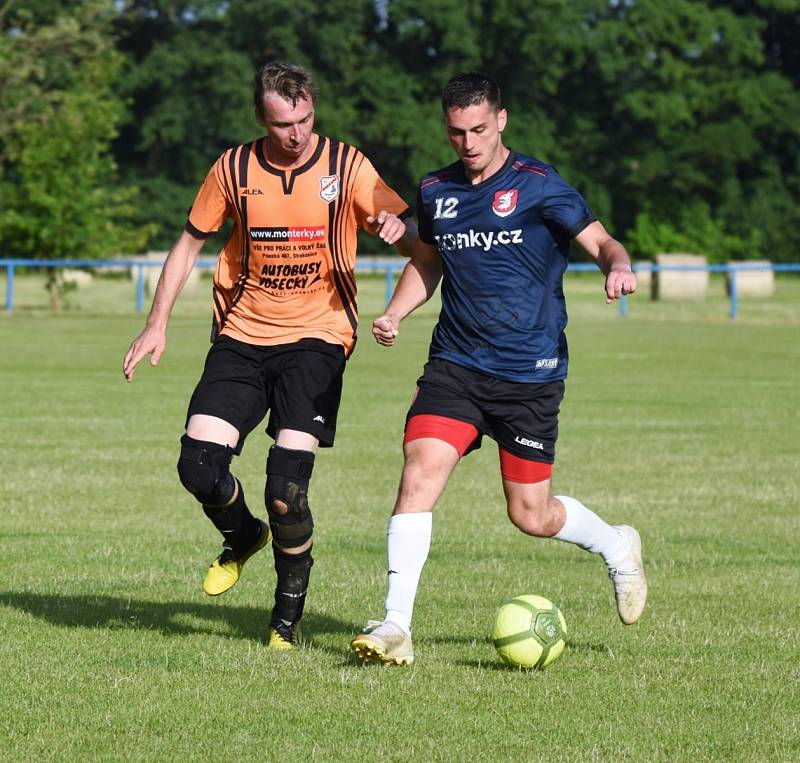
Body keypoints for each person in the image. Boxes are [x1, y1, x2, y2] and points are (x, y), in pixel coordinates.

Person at [350, 72, 647, 667]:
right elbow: (428, 262)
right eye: (457, 131)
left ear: (501, 121)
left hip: (528, 374)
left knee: (529, 514)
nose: (468, 141)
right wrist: (394, 313)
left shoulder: (539, 185)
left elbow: (603, 241)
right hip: (455, 365)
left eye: (479, 129)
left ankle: (616, 544)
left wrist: (618, 265)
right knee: (419, 471)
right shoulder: (436, 191)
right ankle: (396, 626)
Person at [123, 61, 414, 649]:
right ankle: (243, 535)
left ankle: (286, 620)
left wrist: (394, 221)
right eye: (284, 124)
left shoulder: (345, 165)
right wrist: (156, 325)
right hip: (243, 335)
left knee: (285, 485)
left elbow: (402, 219)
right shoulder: (232, 168)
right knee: (197, 467)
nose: (298, 133)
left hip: (319, 337)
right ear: (262, 119)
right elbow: (186, 247)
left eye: (305, 119)